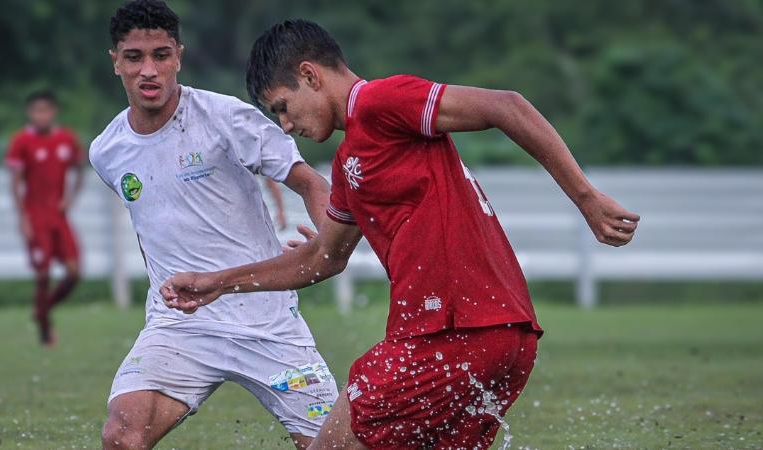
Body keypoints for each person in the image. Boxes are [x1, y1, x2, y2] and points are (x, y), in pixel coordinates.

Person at [162, 19, 640, 449]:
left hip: (452, 333)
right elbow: (324, 259)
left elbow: (506, 106)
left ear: (310, 75)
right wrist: (217, 283)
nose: (286, 125)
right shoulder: (351, 165)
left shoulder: (378, 103)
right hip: (505, 338)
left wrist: (586, 199)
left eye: (283, 107)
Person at [90, 3, 337, 449]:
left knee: (338, 446)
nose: (149, 70)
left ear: (179, 56)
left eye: (161, 55)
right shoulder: (107, 151)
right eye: (134, 57)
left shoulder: (226, 117)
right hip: (180, 327)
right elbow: (154, 228)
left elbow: (313, 185)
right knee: (122, 436)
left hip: (267, 323)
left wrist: (328, 242)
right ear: (115, 61)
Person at [4, 90, 84, 347]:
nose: (42, 115)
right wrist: (23, 218)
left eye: (46, 110)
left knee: (74, 272)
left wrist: (69, 200)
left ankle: (41, 310)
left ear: (53, 112)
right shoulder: (21, 141)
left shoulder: (67, 139)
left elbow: (81, 170)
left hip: (59, 217)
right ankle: (45, 330)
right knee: (43, 274)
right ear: (30, 113)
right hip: (36, 217)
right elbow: (15, 184)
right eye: (36, 111)